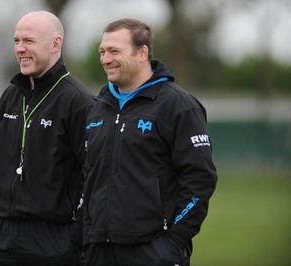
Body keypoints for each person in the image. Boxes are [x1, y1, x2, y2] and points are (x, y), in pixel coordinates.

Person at [83, 18, 218, 266]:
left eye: (115, 51)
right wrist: (87, 236)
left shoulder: (178, 106)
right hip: (98, 251)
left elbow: (200, 178)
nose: (105, 59)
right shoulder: (98, 107)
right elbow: (88, 175)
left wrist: (174, 239)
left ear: (142, 52)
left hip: (154, 251)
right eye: (102, 51)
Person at [0, 11, 95, 265]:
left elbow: (93, 177)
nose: (20, 49)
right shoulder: (9, 96)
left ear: (55, 44)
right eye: (16, 41)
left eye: (29, 41)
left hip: (53, 243)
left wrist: (74, 237)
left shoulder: (78, 102)